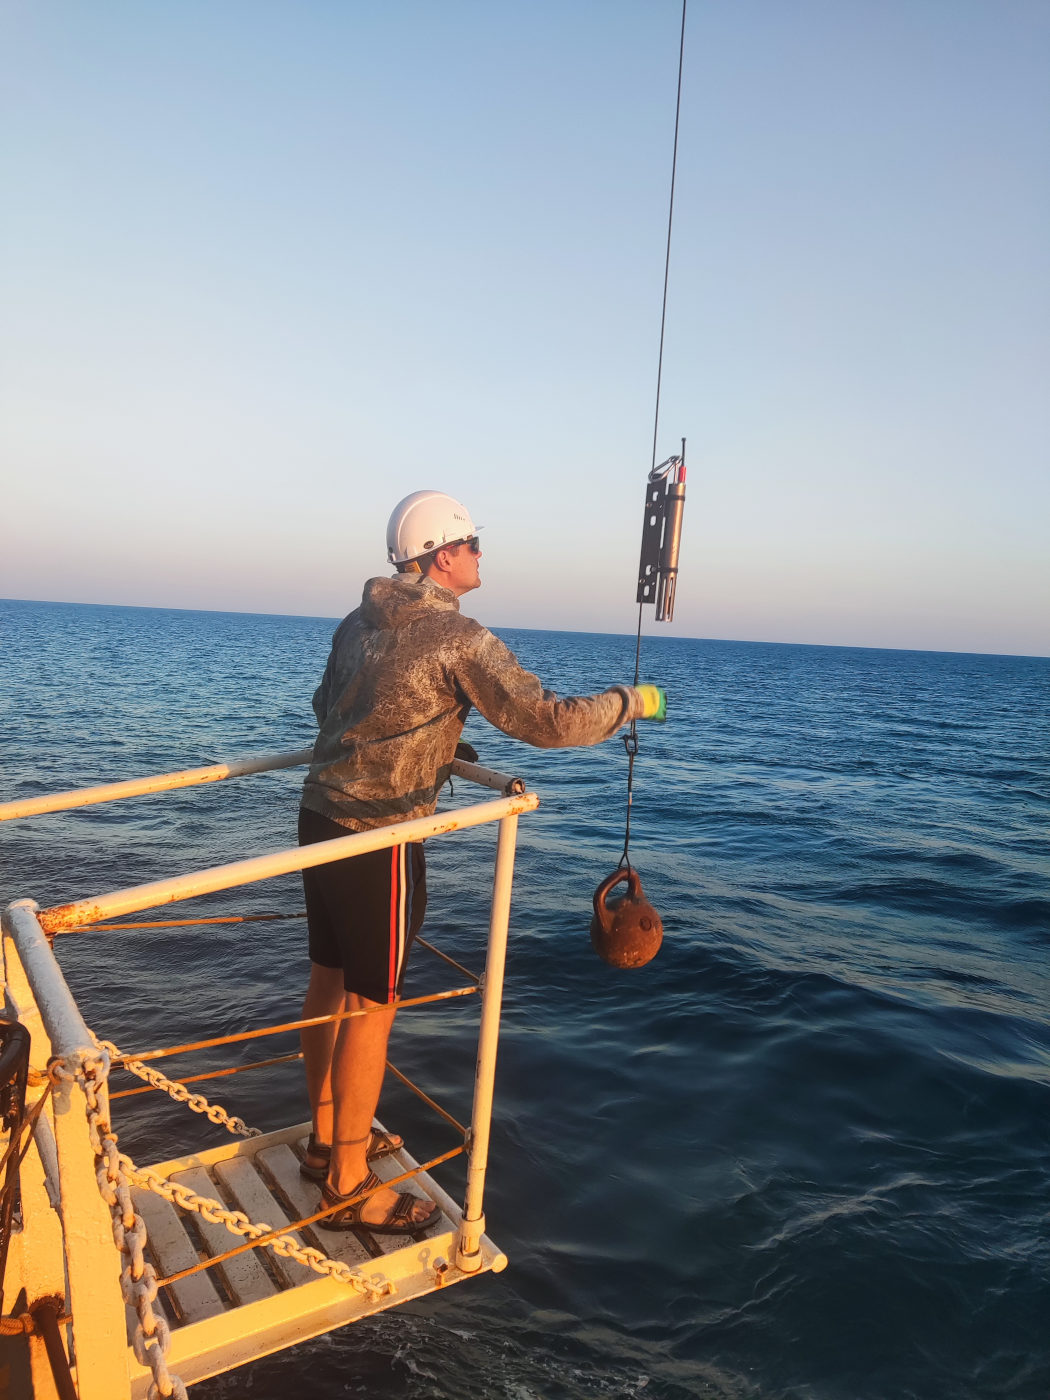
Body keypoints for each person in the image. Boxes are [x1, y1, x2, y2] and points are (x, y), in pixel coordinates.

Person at [298, 490, 667, 1233]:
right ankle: (347, 1184)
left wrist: (434, 744)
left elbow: (329, 709)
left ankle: (324, 1140)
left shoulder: (355, 622)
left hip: (319, 816)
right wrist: (630, 703)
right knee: (373, 1003)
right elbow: (546, 721)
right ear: (441, 556)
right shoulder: (458, 637)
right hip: (379, 837)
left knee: (330, 979)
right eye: (471, 544)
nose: (478, 555)